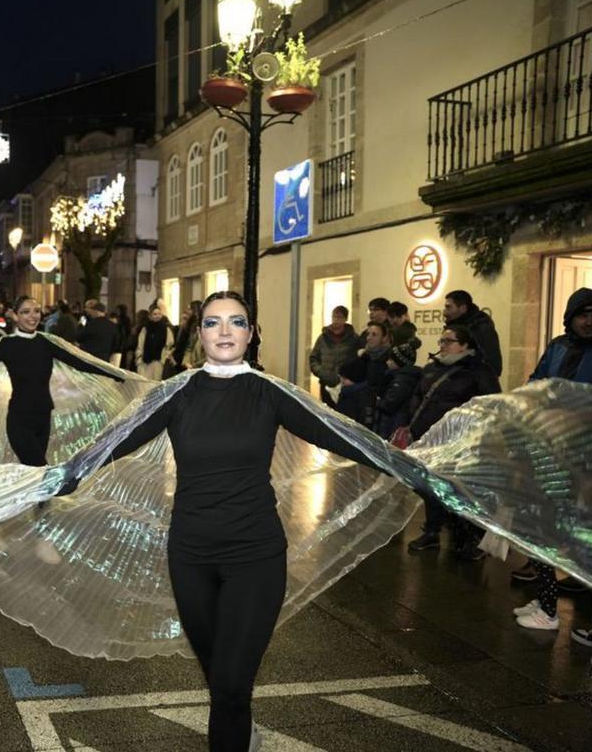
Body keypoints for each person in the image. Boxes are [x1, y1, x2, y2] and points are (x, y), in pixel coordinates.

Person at [94, 291, 383, 752]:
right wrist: (54, 479)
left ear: (251, 334)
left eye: (237, 322)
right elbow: (112, 443)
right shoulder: (177, 393)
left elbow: (344, 436)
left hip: (255, 555)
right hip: (190, 556)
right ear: (200, 334)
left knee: (231, 686)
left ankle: (235, 730)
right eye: (213, 322)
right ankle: (242, 731)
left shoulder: (270, 393)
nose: (225, 331)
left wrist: (417, 470)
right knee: (219, 678)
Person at [511, 287, 592, 634]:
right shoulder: (558, 346)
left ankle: (550, 609)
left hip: (586, 455)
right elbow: (538, 381)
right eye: (583, 315)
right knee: (538, 520)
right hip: (550, 445)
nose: (589, 322)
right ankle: (544, 599)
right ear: (570, 318)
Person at [0, 296, 124, 466]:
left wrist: (112, 372)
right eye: (26, 312)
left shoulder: (46, 342)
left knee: (36, 473)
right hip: (19, 420)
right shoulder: (7, 344)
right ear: (15, 316)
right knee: (40, 468)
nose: (32, 316)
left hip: (44, 418)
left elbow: (79, 362)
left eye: (36, 311)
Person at [401, 325, 501, 557]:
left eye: (449, 341)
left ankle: (469, 538)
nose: (443, 345)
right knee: (430, 487)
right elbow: (417, 396)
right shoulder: (432, 368)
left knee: (460, 491)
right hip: (429, 440)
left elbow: (491, 405)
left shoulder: (478, 371)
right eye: (442, 341)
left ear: (465, 346)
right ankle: (432, 532)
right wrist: (415, 424)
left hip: (460, 443)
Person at [335, 321, 392, 428]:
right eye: (368, 334)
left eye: (374, 335)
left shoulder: (389, 360)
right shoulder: (361, 356)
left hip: (374, 413)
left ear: (384, 338)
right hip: (355, 407)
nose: (369, 338)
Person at [308, 306, 359, 407]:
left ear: (345, 319)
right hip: (326, 382)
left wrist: (349, 377)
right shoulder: (323, 338)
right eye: (334, 317)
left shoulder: (353, 339)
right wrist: (321, 372)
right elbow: (314, 358)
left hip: (344, 384)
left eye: (339, 317)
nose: (336, 320)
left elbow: (357, 360)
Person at [444, 289, 502, 378]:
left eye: (449, 307)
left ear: (463, 308)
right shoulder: (453, 327)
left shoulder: (481, 328)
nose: (444, 312)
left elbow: (493, 366)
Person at [374, 343, 421, 439]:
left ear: (400, 362)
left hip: (393, 423)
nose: (387, 362)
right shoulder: (402, 377)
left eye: (390, 359)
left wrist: (377, 402)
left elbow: (390, 403)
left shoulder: (402, 380)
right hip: (395, 421)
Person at [135, 304, 175, 380]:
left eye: (159, 314)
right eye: (155, 314)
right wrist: (139, 361)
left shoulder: (166, 329)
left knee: (157, 382)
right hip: (145, 362)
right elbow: (140, 344)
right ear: (150, 316)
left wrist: (165, 358)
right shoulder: (145, 329)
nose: (157, 316)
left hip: (159, 362)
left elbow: (169, 345)